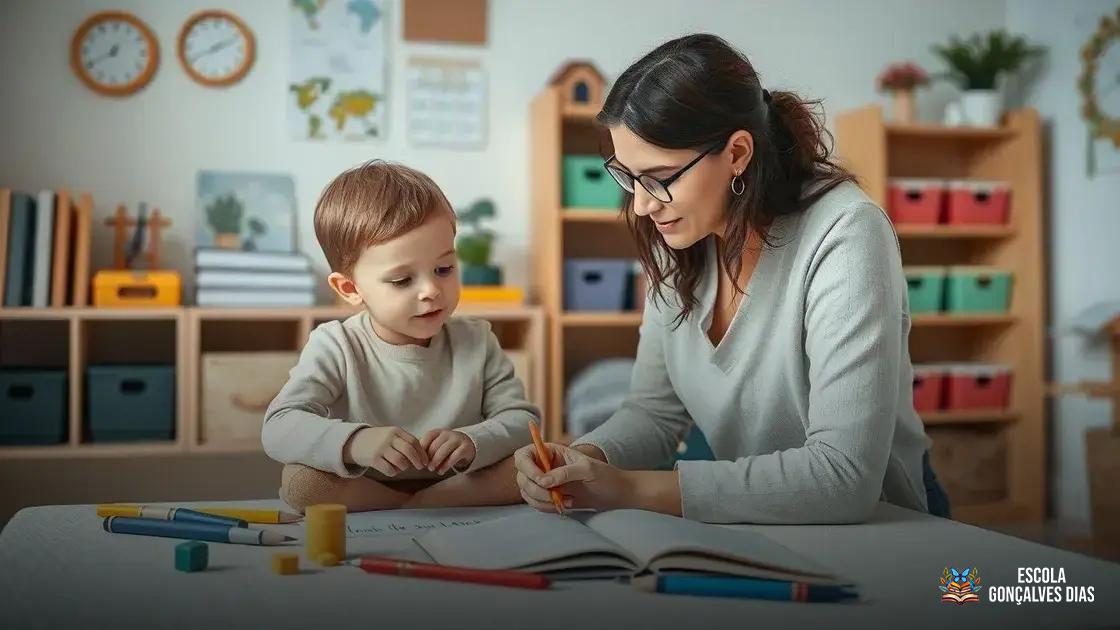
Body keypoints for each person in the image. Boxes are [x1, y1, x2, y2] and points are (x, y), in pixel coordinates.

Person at [513, 33, 951, 524]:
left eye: (660, 177)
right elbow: (654, 413)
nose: (641, 203)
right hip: (760, 522)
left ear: (738, 152)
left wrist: (631, 487)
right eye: (628, 176)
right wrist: (586, 458)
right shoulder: (683, 235)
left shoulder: (846, 231)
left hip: (884, 531)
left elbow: (843, 477)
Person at [263, 160, 538, 512]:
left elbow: (522, 420)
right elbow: (279, 426)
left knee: (531, 463)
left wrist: (474, 440)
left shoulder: (477, 339)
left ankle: (426, 501)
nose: (430, 291)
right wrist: (356, 442)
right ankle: (417, 505)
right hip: (367, 484)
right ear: (349, 288)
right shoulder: (335, 344)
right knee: (302, 483)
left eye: (444, 269)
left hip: (457, 482)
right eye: (402, 280)